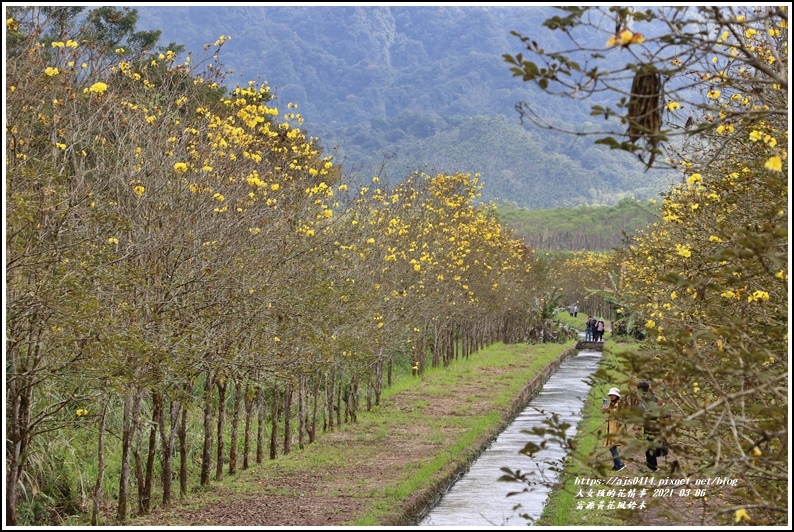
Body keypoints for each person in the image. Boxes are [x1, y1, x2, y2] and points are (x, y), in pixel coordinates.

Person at [637, 380, 668, 472]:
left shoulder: (643, 400)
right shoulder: (655, 397)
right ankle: (658, 457)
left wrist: (638, 427)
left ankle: (652, 466)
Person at [602, 387, 626, 472]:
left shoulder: (619, 403)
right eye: (611, 395)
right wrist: (605, 409)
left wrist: (608, 409)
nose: (612, 396)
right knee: (612, 446)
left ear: (617, 396)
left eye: (613, 395)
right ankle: (616, 465)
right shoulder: (612, 403)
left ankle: (619, 464)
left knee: (612, 446)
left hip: (617, 427)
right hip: (612, 426)